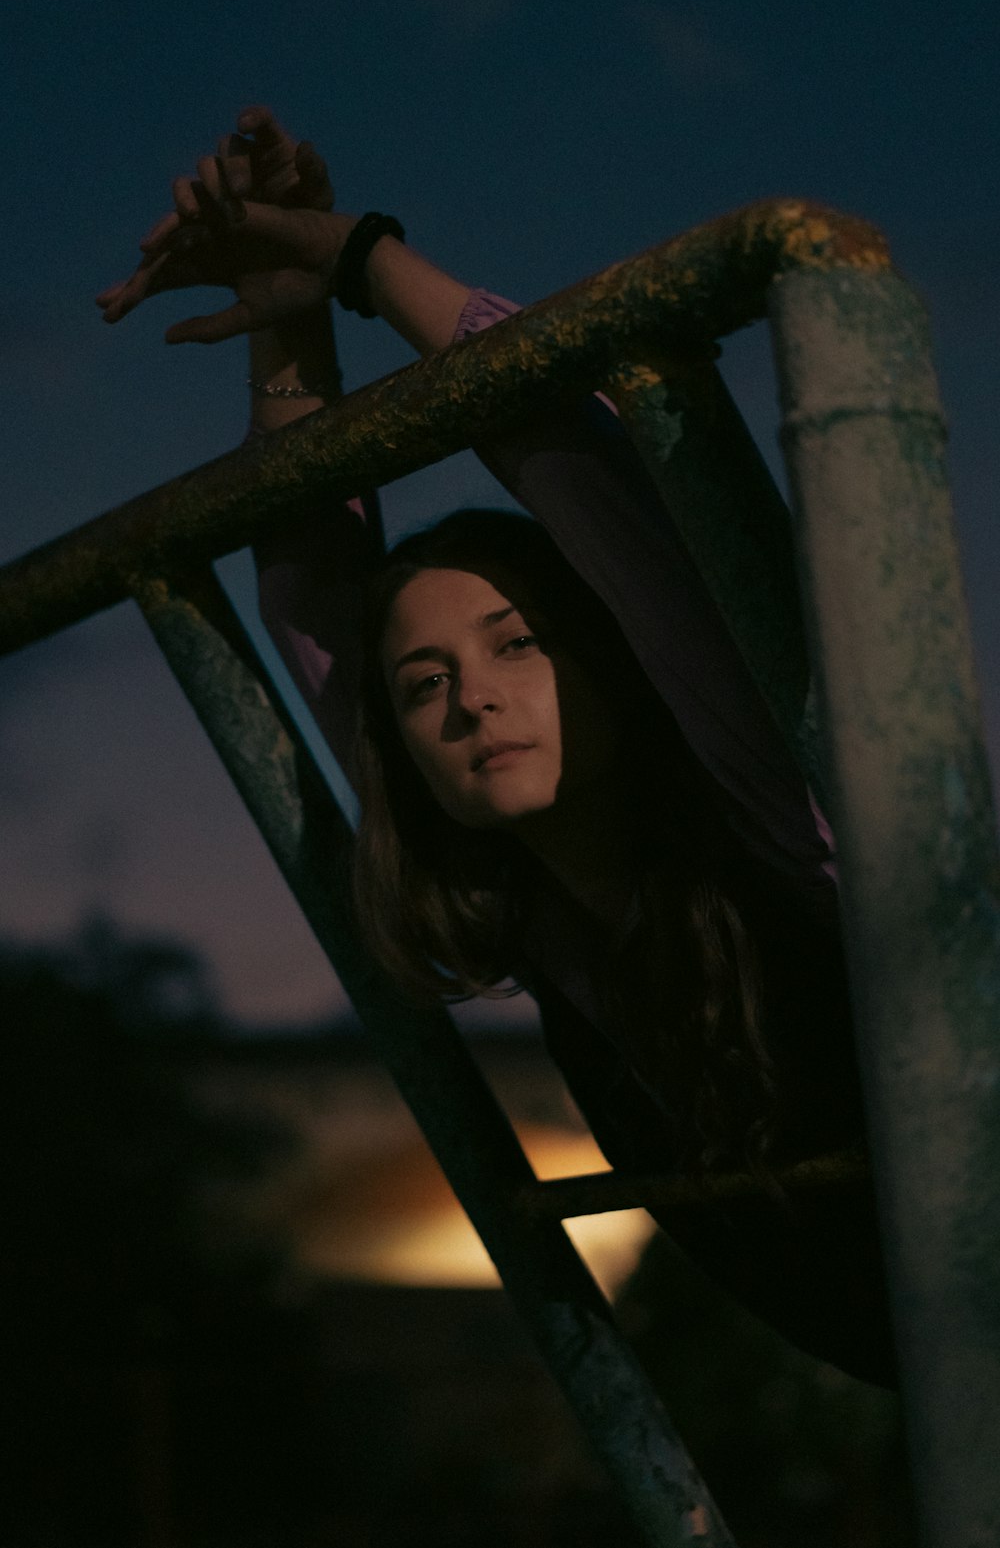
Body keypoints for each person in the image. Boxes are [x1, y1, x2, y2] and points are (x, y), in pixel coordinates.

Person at [99, 109, 895, 1385]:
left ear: (612, 663)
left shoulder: (777, 831)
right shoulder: (543, 921)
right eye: (427, 683)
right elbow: (311, 607)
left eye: (519, 644)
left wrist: (360, 260)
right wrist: (283, 316)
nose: (470, 700)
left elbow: (596, 483)